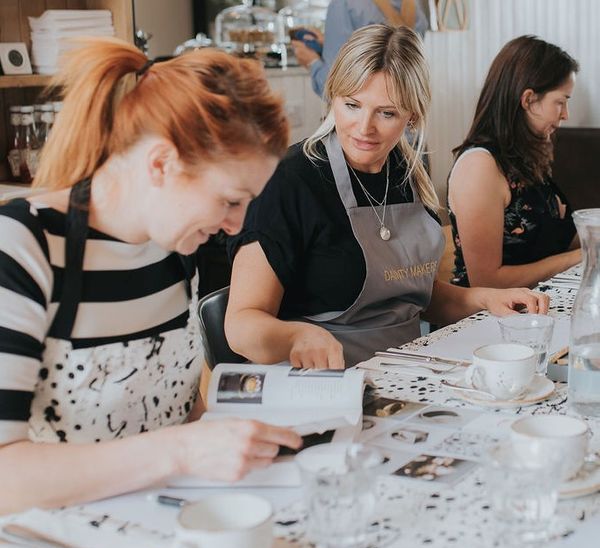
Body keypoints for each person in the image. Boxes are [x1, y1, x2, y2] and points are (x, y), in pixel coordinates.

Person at [0, 39, 302, 515]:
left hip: (165, 523)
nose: (237, 225)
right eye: (229, 200)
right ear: (161, 163)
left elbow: (179, 410)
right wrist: (181, 449)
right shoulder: (23, 247)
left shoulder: (176, 249)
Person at [225, 24, 549, 370]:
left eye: (386, 112)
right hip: (318, 382)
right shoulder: (289, 182)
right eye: (351, 105)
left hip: (403, 367)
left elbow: (412, 294)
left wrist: (485, 298)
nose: (364, 128)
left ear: (413, 116)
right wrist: (295, 337)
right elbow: (241, 325)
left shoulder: (406, 173)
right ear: (332, 96)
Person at [448, 35, 582, 288]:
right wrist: (578, 258)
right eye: (561, 102)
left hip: (535, 307)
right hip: (486, 318)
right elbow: (487, 282)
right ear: (529, 100)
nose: (565, 114)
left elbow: (559, 240)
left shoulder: (525, 158)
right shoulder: (480, 166)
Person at [292, 0, 428, 98]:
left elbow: (335, 89)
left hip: (365, 130)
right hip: (406, 123)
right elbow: (389, 52)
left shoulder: (343, 5)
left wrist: (312, 62)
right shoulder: (414, 5)